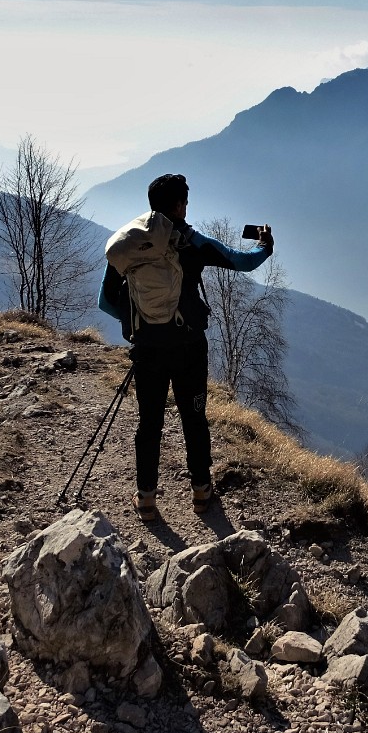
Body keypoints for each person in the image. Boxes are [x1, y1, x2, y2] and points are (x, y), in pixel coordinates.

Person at [99, 173, 274, 521]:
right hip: (189, 348)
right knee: (193, 418)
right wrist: (265, 244)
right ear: (180, 205)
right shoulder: (191, 243)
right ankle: (200, 493)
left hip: (147, 350)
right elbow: (243, 261)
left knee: (149, 424)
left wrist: (140, 324)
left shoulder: (129, 247)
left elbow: (105, 301)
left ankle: (146, 499)